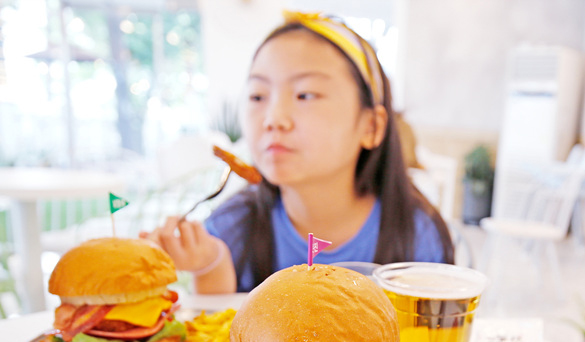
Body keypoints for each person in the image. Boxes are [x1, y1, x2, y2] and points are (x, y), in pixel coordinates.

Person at [142, 11, 454, 294]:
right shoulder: (231, 228)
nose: (273, 118)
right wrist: (210, 264)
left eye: (305, 94)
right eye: (257, 95)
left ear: (371, 126)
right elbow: (216, 333)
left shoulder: (417, 235)